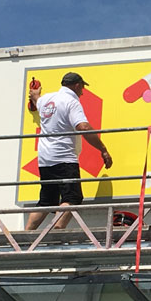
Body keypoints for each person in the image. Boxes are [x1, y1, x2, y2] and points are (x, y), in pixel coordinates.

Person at [25, 72, 113, 230]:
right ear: (77, 85)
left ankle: (24, 234)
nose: (83, 92)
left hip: (45, 159)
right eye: (82, 88)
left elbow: (37, 100)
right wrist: (103, 149)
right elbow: (83, 127)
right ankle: (57, 231)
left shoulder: (46, 99)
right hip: (64, 158)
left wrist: (35, 94)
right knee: (72, 197)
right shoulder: (71, 102)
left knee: (46, 200)